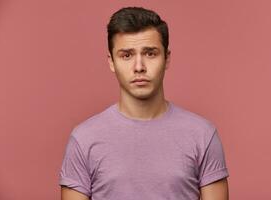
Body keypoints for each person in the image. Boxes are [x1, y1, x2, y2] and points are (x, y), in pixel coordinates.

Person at [59, 6, 229, 200]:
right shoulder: (84, 139)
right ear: (111, 62)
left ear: (167, 59)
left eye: (150, 53)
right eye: (126, 55)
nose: (139, 67)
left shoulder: (203, 135)